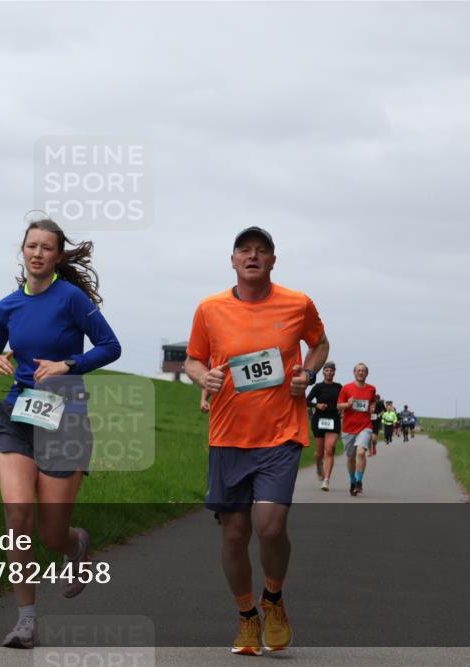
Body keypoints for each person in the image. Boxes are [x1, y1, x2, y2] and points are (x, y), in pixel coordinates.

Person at [0, 218, 121, 649]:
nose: (37, 253)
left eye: (47, 247)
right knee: (17, 517)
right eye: (31, 245)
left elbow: (111, 346)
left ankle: (75, 545)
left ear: (57, 256)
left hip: (65, 417)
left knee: (52, 534)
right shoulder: (7, 307)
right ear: (22, 251)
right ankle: (26, 620)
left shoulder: (71, 298)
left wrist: (68, 365)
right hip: (17, 416)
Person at [184, 227, 329, 656]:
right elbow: (193, 360)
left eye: (261, 251)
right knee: (234, 535)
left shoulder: (298, 304)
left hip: (280, 434)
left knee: (270, 526)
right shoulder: (209, 309)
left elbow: (319, 344)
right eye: (244, 250)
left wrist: (308, 373)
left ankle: (274, 598)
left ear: (272, 261)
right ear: (232, 260)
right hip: (228, 436)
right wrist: (203, 377)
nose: (252, 256)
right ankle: (247, 616)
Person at [337, 363, 377, 496]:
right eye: (358, 370)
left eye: (363, 371)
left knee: (360, 452)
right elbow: (339, 405)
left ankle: (359, 481)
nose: (361, 373)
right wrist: (348, 404)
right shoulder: (346, 388)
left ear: (367, 374)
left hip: (365, 426)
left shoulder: (371, 389)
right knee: (350, 457)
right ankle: (352, 481)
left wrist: (373, 407)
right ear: (354, 373)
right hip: (348, 428)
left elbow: (372, 403)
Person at [306, 361, 341, 491]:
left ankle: (326, 480)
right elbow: (306, 401)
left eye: (331, 370)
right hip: (319, 420)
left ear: (334, 372)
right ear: (323, 372)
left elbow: (343, 400)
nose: (329, 372)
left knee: (330, 449)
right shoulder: (318, 387)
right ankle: (318, 465)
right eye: (327, 370)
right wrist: (317, 405)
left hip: (334, 419)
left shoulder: (339, 387)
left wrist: (343, 407)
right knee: (319, 452)